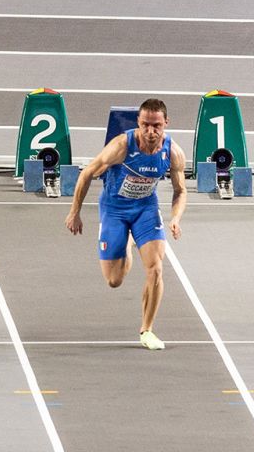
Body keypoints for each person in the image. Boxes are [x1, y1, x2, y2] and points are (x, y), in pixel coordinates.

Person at [66, 98, 185, 350]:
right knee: (114, 280)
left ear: (166, 123)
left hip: (146, 209)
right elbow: (87, 173)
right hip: (114, 209)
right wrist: (74, 212)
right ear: (138, 123)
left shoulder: (172, 152)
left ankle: (147, 330)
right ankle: (127, 243)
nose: (151, 131)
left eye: (156, 126)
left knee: (155, 269)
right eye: (145, 125)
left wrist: (175, 217)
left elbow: (180, 191)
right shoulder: (121, 146)